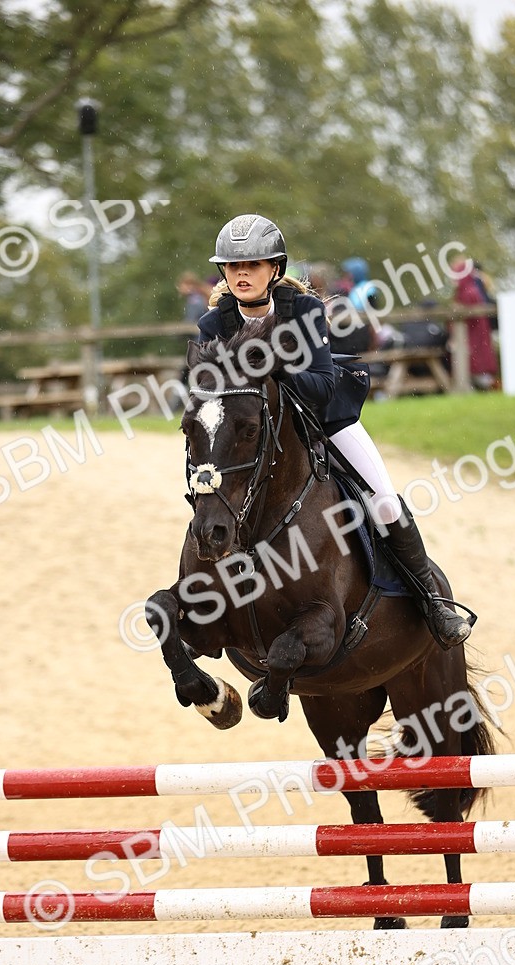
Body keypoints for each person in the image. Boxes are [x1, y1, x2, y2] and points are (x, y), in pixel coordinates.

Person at [195, 214, 471, 649]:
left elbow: (323, 385)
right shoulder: (215, 325)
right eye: (233, 267)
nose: (242, 275)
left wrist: (276, 371)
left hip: (323, 421)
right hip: (253, 439)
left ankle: (432, 602)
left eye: (253, 265)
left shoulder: (304, 312)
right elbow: (209, 396)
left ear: (276, 270)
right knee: (214, 499)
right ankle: (203, 617)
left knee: (381, 500)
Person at [452, 259, 499, 390]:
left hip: (474, 334)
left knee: (477, 363)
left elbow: (467, 316)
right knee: (477, 362)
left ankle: (485, 386)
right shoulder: (468, 289)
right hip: (474, 333)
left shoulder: (469, 292)